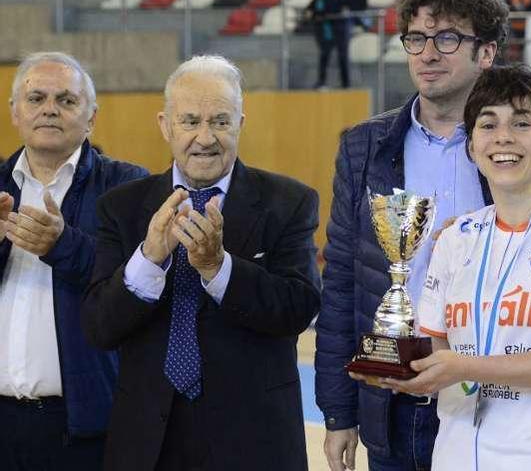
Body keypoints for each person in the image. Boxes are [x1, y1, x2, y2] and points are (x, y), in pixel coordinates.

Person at [314, 0, 531, 470]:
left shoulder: (527, 144)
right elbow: (343, 279)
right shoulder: (363, 147)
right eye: (416, 39)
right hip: (395, 398)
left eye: (448, 38)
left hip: (504, 400)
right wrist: (338, 410)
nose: (428, 53)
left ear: (487, 52)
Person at [81, 55, 321, 471]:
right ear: (165, 125)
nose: (205, 137)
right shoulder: (121, 208)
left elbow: (298, 308)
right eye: (190, 121)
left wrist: (218, 268)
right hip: (147, 443)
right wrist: (149, 260)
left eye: (221, 121)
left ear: (241, 123)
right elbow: (100, 327)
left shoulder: (289, 202)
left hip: (254, 442)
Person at [380, 63, 531, 470]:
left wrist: (465, 366)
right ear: (471, 146)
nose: (503, 137)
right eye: (488, 125)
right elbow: (437, 351)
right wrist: (400, 365)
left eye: (522, 123)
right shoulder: (456, 239)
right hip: (455, 457)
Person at [0, 52, 148, 471]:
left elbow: (138, 285)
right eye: (36, 98)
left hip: (85, 428)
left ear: (92, 117)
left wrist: (63, 245)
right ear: (14, 112)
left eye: (66, 100)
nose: (50, 108)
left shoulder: (127, 187)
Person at [307, 0, 351, 89]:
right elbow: (308, 11)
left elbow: (329, 10)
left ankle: (345, 84)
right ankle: (321, 81)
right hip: (325, 35)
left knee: (342, 58)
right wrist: (314, 13)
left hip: (337, 32)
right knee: (324, 57)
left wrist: (316, 14)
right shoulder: (315, 0)